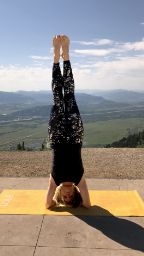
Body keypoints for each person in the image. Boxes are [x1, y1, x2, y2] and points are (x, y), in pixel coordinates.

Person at [45, 35, 91, 209]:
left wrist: (55, 193)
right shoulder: (79, 178)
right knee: (70, 95)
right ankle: (67, 56)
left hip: (56, 136)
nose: (68, 195)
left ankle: (56, 57)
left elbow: (47, 205)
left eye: (66, 198)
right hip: (75, 135)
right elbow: (87, 204)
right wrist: (80, 189)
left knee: (57, 96)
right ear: (76, 193)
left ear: (60, 195)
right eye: (72, 197)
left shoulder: (54, 178)